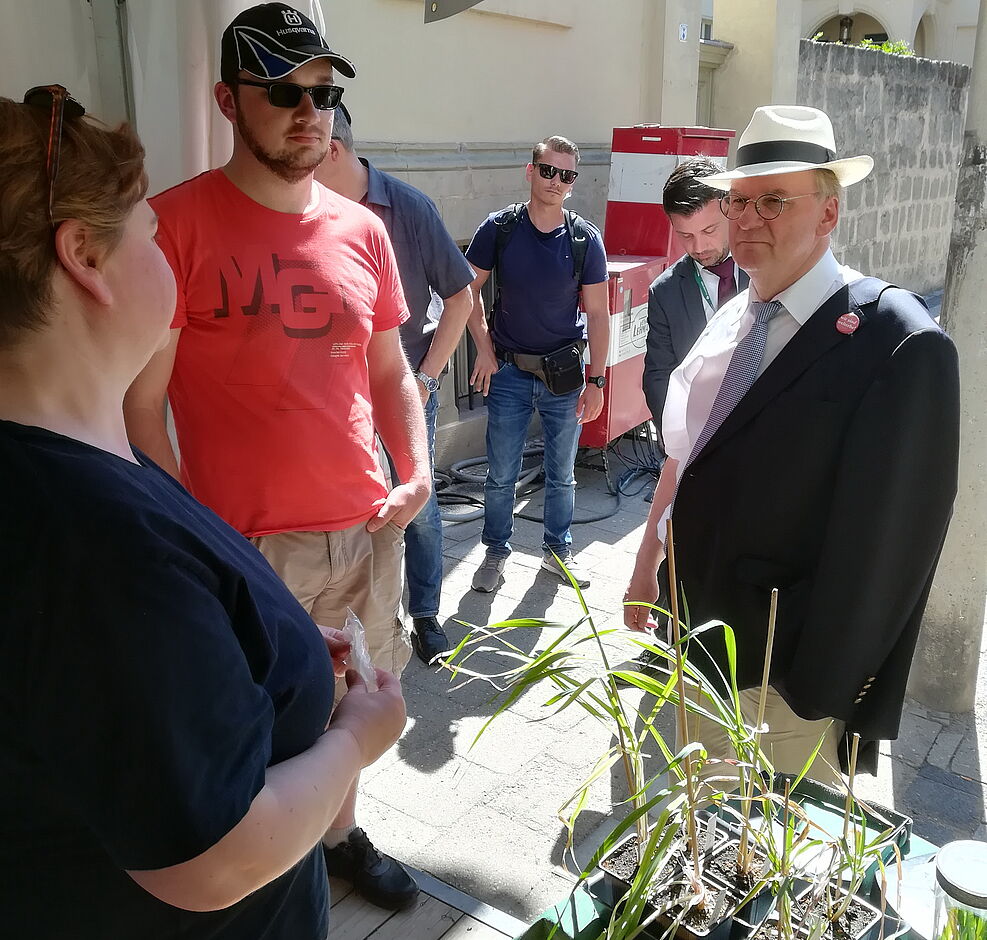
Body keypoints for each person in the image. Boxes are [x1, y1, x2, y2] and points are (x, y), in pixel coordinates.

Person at [0, 85, 406, 940]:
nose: (167, 249)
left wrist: (257, 653)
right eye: (149, 231)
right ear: (83, 257)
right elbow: (214, 859)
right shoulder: (92, 542)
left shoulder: (68, 461)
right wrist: (356, 740)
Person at [122, 3, 429, 911]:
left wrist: (413, 469)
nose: (309, 109)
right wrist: (193, 533)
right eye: (283, 90)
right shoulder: (171, 228)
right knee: (255, 725)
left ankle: (336, 839)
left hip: (366, 524)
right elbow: (141, 406)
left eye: (324, 91)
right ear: (226, 98)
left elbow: (389, 368)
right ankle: (270, 872)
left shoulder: (363, 229)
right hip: (243, 545)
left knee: (359, 704)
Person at [624, 105, 960, 784]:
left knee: (780, 865)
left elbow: (891, 549)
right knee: (704, 844)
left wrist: (818, 694)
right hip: (698, 645)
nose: (746, 219)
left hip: (783, 685)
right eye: (738, 200)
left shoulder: (894, 340)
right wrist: (651, 567)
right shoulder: (734, 314)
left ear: (828, 213)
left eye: (773, 200)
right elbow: (689, 461)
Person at [316, 103, 475, 665]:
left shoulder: (406, 209)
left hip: (402, 389)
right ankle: (368, 618)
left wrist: (428, 377)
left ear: (333, 149)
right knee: (357, 508)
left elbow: (461, 296)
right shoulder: (304, 212)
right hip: (335, 402)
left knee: (419, 507)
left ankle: (426, 613)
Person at [464, 135, 610, 594]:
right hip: (507, 372)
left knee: (562, 473)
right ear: (531, 172)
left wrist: (597, 380)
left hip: (564, 376)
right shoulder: (500, 228)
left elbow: (601, 314)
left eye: (566, 175)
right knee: (501, 472)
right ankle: (495, 552)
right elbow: (466, 291)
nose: (556, 182)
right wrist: (484, 350)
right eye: (548, 171)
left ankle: (557, 552)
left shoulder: (585, 239)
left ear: (573, 182)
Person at [643, 157, 749, 456]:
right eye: (685, 236)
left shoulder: (767, 270)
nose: (699, 247)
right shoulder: (665, 292)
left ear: (730, 208)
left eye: (710, 230)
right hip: (697, 443)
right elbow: (658, 376)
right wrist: (679, 443)